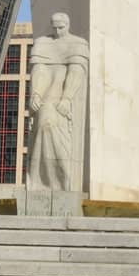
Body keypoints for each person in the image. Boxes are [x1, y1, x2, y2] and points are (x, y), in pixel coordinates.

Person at [25, 12, 89, 191]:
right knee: (43, 125)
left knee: (52, 127)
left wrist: (67, 98)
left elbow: (76, 72)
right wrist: (36, 94)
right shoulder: (43, 43)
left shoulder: (77, 44)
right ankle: (39, 181)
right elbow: (40, 71)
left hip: (63, 96)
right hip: (47, 94)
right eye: (54, 27)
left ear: (68, 25)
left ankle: (63, 180)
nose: (58, 31)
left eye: (61, 27)